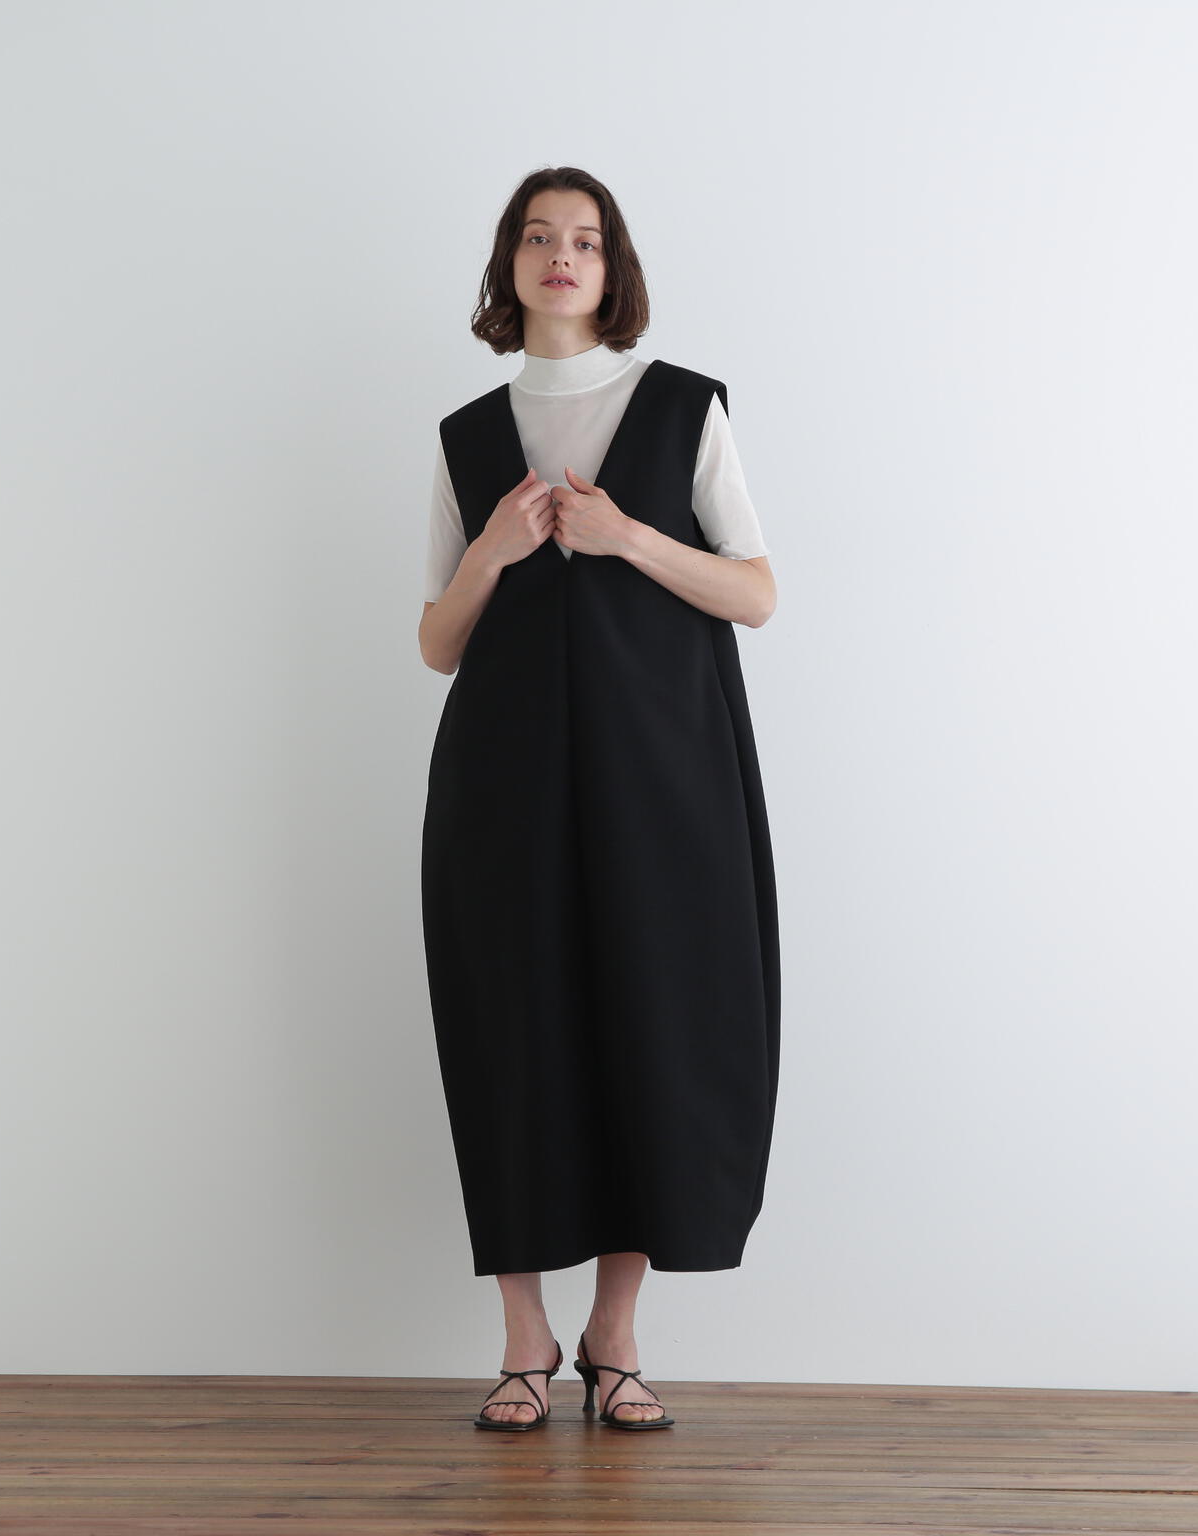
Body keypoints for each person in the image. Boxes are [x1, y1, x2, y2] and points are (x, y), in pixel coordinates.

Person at [418, 166, 780, 1431]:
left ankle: (612, 1335)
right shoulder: (467, 435)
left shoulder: (682, 408)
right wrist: (491, 551)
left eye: (583, 238)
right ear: (509, 267)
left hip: (663, 778)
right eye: (536, 236)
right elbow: (436, 643)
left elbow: (755, 592)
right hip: (502, 783)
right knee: (512, 1033)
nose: (559, 255)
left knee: (651, 1025)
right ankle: (523, 1336)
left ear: (612, 268)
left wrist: (628, 537)